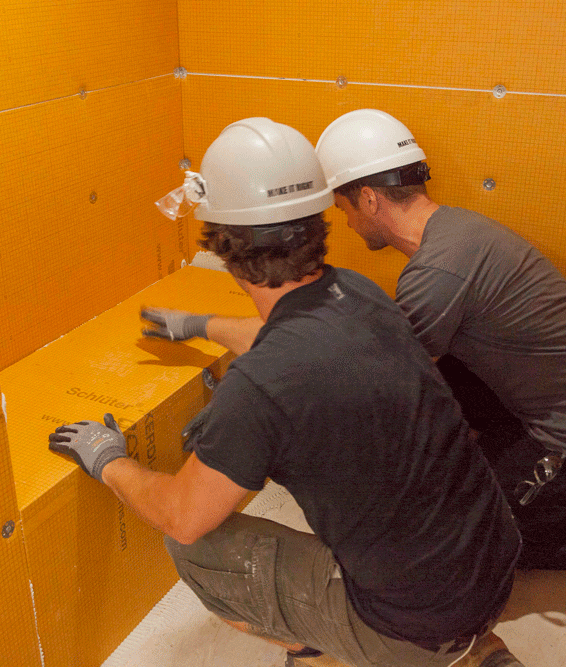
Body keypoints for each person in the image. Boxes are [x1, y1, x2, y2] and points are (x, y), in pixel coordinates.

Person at [50, 117, 526, 667]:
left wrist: (109, 462)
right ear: (317, 220)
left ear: (222, 245)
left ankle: (322, 653)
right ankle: (479, 649)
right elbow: (287, 340)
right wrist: (199, 325)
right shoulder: (358, 292)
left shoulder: (263, 385)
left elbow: (182, 515)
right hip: (493, 560)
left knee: (196, 549)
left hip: (414, 625)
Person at [307, 108, 566, 593]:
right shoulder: (458, 231)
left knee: (456, 541)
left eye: (342, 208)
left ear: (367, 199)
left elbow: (384, 385)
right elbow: (397, 346)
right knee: (432, 364)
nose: (344, 223)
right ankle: (502, 477)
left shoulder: (436, 276)